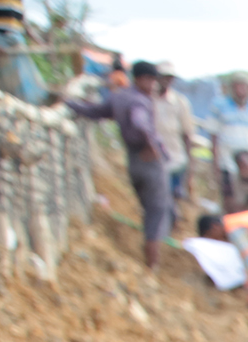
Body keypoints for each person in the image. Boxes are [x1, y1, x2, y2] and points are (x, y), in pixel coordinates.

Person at [65, 59, 171, 270]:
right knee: (157, 211)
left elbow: (95, 112)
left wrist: (69, 104)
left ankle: (151, 259)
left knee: (150, 209)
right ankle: (153, 265)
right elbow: (140, 122)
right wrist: (151, 145)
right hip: (148, 162)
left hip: (133, 162)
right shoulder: (139, 101)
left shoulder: (119, 97)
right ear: (140, 78)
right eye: (150, 79)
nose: (153, 84)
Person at [206, 73, 248, 206]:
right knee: (230, 200)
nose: (241, 90)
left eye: (244, 87)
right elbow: (213, 136)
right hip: (226, 163)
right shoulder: (219, 107)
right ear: (231, 89)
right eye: (238, 87)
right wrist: (215, 163)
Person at [0, 1, 49, 104]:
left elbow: (24, 22)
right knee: (8, 81)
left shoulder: (18, 2)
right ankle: (12, 106)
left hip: (17, 39)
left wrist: (39, 41)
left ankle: (31, 104)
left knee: (27, 76)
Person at [150, 61, 198, 207]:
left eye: (169, 77)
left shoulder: (180, 102)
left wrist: (190, 166)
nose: (166, 80)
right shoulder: (149, 99)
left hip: (176, 159)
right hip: (154, 159)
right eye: (163, 76)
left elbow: (187, 134)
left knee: (172, 200)